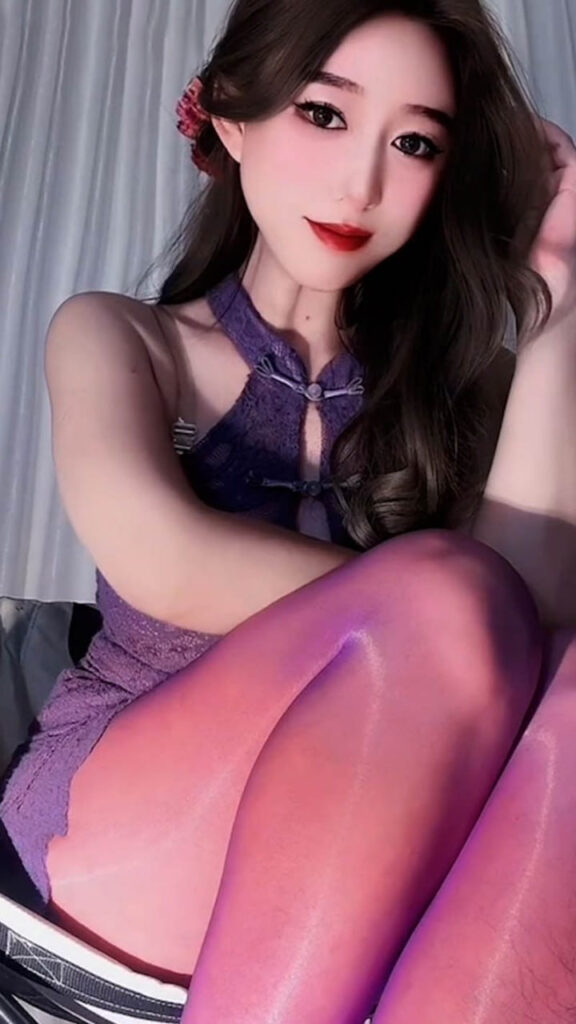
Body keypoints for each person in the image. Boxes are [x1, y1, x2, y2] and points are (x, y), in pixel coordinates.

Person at [1, 0, 576, 1020]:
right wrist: (421, 609)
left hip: (374, 872)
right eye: (324, 114)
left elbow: (530, 622)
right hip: (125, 835)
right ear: (230, 114)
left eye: (413, 143)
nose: (362, 183)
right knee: (451, 600)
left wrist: (560, 297)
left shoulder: (464, 393)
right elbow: (165, 562)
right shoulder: (129, 339)